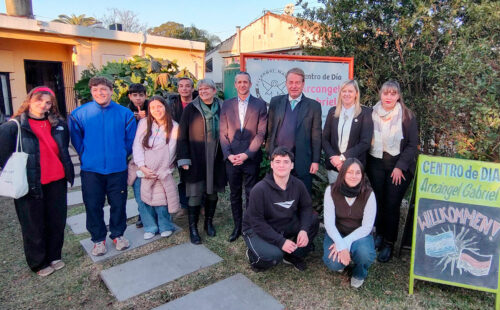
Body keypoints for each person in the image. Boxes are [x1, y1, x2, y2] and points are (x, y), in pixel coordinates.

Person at [0, 86, 74, 276]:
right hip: (30, 182)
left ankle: (54, 255)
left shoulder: (58, 124)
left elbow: (63, 150)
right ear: (29, 101)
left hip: (56, 180)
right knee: (33, 224)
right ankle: (39, 263)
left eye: (48, 102)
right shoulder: (14, 127)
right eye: (39, 100)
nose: (43, 105)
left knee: (56, 221)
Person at [69, 76, 137, 256]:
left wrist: (121, 153)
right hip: (91, 170)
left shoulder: (125, 114)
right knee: (92, 205)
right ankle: (98, 239)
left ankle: (117, 235)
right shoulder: (79, 114)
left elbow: (130, 140)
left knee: (118, 203)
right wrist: (86, 155)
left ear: (111, 91)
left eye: (103, 89)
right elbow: (76, 139)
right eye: (95, 90)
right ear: (91, 92)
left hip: (117, 168)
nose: (100, 93)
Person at [242, 146, 319, 272]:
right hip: (256, 228)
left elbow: (306, 207)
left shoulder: (298, 185)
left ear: (292, 165)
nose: (281, 165)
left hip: (283, 223)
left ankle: (291, 256)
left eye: (286, 162)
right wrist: (281, 241)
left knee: (313, 220)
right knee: (274, 255)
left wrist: (304, 230)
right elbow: (257, 222)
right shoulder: (260, 189)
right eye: (277, 162)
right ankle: (254, 255)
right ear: (271, 165)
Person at [366, 80, 418, 262]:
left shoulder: (407, 116)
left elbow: (412, 145)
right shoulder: (370, 113)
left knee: (392, 204)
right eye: (385, 93)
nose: (388, 97)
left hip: (399, 165)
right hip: (376, 162)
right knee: (379, 201)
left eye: (393, 94)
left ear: (398, 96)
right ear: (380, 94)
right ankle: (379, 235)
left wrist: (400, 167)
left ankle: (389, 243)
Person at [177, 78, 226, 244]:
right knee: (195, 193)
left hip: (217, 156)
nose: (204, 91)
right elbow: (182, 134)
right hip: (196, 156)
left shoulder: (223, 107)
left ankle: (208, 223)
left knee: (212, 192)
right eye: (201, 89)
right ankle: (193, 228)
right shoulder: (191, 108)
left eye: (207, 89)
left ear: (214, 91)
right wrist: (183, 158)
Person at [220, 72, 267, 242]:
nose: (242, 85)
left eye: (245, 82)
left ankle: (249, 227)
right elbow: (222, 133)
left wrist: (247, 154)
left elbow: (261, 133)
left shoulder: (260, 105)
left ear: (250, 83)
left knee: (250, 194)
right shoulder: (226, 105)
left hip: (250, 158)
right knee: (234, 194)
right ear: (235, 84)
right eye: (239, 82)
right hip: (232, 159)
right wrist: (229, 155)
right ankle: (237, 226)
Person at [322, 158, 376, 288]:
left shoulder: (369, 194)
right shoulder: (331, 191)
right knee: (333, 262)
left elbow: (367, 227)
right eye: (350, 172)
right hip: (337, 233)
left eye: (358, 173)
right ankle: (343, 261)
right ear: (343, 173)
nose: (354, 176)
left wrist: (344, 244)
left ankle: (359, 272)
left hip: (360, 235)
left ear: (362, 175)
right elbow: (329, 223)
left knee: (364, 254)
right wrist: (339, 242)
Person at [266, 67, 322, 193]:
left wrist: (315, 161)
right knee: (278, 195)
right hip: (279, 160)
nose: (294, 86)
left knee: (301, 196)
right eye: (290, 82)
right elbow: (270, 130)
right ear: (286, 83)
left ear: (303, 84)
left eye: (297, 82)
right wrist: (270, 152)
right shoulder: (275, 102)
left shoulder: (314, 106)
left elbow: (317, 136)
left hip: (303, 161)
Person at [131, 96, 179, 239]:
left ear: (165, 107)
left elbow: (171, 150)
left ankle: (165, 226)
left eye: (159, 106)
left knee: (161, 200)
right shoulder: (143, 123)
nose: (156, 110)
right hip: (143, 168)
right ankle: (150, 227)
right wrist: (142, 166)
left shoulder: (174, 126)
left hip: (161, 169)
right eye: (153, 108)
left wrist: (159, 170)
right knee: (143, 199)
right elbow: (137, 145)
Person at [322, 80, 373, 184]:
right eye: (344, 91)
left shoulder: (365, 113)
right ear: (340, 93)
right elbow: (325, 139)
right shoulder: (332, 111)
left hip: (354, 167)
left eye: (350, 91)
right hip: (334, 167)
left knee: (353, 198)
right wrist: (335, 159)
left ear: (356, 94)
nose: (346, 94)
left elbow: (365, 142)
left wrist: (342, 158)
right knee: (335, 198)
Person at [168, 77, 197, 218]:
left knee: (200, 176)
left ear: (192, 88)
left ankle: (201, 204)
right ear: (178, 89)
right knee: (183, 177)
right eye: (181, 86)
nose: (184, 89)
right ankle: (184, 205)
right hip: (180, 145)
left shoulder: (199, 102)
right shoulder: (173, 105)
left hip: (198, 145)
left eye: (187, 86)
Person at [127, 83, 148, 228]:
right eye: (135, 95)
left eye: (141, 95)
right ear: (130, 96)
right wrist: (135, 119)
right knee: (138, 187)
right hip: (134, 156)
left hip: (151, 154)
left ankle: (155, 214)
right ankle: (142, 214)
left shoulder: (152, 108)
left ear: (146, 95)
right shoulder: (125, 112)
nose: (138, 98)